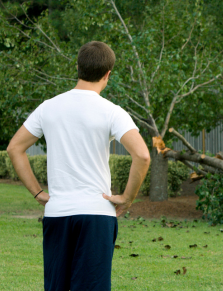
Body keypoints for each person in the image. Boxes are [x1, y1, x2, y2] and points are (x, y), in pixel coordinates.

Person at [6, 41, 150, 291]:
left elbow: (14, 148)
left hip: (57, 212)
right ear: (108, 74)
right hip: (97, 215)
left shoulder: (48, 107)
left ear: (78, 67)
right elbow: (143, 155)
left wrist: (38, 193)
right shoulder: (112, 112)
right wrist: (127, 198)